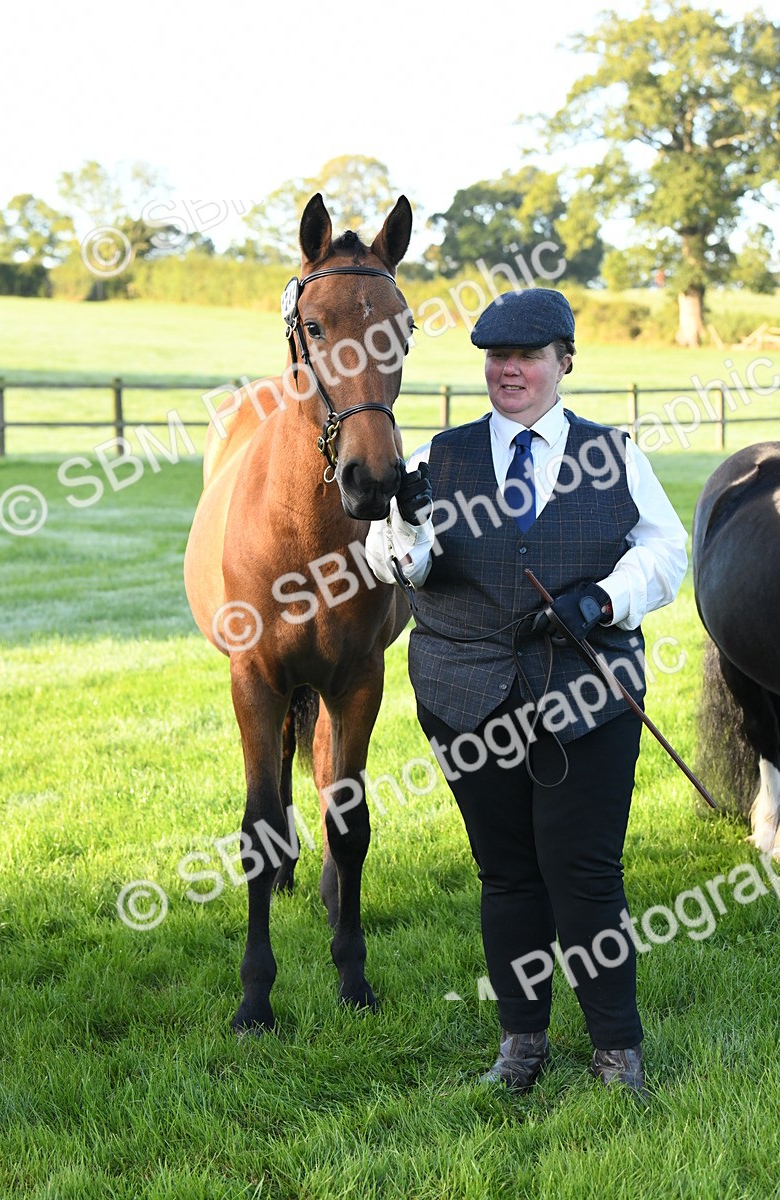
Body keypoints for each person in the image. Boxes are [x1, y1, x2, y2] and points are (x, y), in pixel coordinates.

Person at [365, 288, 688, 1093]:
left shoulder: (615, 454)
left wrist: (604, 599)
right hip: (465, 694)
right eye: (496, 356)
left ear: (563, 362)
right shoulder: (437, 460)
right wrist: (409, 528)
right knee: (506, 873)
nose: (509, 369)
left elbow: (666, 551)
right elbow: (398, 568)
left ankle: (617, 1051)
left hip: (588, 693)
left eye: (528, 355)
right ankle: (522, 1046)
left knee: (584, 874)